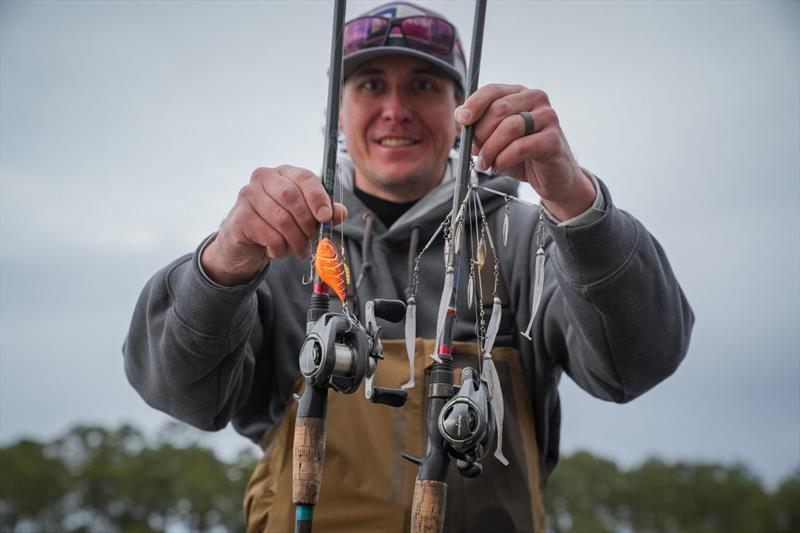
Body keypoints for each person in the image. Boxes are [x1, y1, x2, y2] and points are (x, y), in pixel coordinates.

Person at [123, 2, 694, 532]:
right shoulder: (279, 240)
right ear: (338, 114)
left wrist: (576, 200)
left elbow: (637, 363)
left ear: (461, 111)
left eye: (423, 84)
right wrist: (222, 262)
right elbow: (180, 393)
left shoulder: (528, 238)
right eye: (372, 85)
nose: (396, 110)